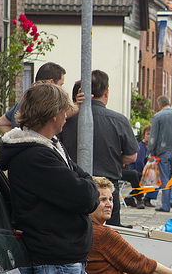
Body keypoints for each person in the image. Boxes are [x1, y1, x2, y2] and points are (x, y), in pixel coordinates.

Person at [0, 83, 107, 274]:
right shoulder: (35, 155)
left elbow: (83, 182)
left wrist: (84, 184)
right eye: (64, 112)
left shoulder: (49, 146)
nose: (67, 118)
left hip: (69, 254)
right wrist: (85, 186)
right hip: (57, 255)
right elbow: (86, 196)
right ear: (55, 115)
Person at [59, 70, 138, 226]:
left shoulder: (65, 119)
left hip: (74, 185)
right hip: (108, 188)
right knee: (110, 238)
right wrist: (114, 157)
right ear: (106, 92)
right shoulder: (118, 120)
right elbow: (131, 156)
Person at [0, 62, 68, 133]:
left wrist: (15, 138)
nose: (61, 89)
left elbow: (0, 123)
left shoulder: (24, 102)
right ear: (51, 83)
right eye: (60, 85)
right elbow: (59, 116)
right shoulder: (41, 103)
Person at [149, 96, 172, 213]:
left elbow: (153, 136)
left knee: (165, 178)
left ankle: (165, 205)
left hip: (163, 151)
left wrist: (151, 151)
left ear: (160, 104)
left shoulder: (157, 116)